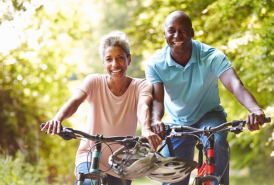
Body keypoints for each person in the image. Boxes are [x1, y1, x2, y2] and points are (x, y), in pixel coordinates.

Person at [145, 10, 266, 185]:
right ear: (164, 34)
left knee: (216, 140)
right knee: (173, 177)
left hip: (210, 116)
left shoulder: (211, 56)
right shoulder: (155, 63)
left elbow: (235, 85)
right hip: (177, 121)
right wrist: (155, 120)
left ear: (192, 33)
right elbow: (157, 100)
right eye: (171, 31)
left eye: (183, 30)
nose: (177, 35)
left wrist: (255, 109)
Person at [41, 30, 161, 185]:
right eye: (109, 59)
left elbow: (143, 106)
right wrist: (58, 119)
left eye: (120, 58)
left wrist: (146, 128)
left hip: (122, 161)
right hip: (90, 154)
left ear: (129, 59)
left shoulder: (141, 85)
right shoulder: (94, 82)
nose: (115, 64)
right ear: (103, 63)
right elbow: (75, 101)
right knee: (88, 183)